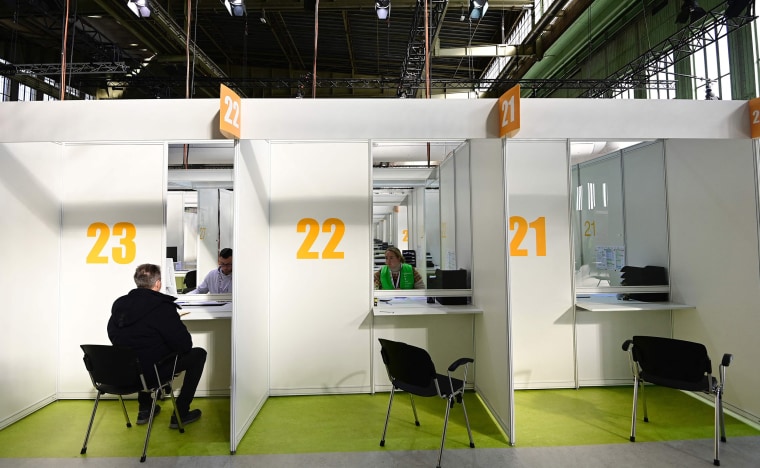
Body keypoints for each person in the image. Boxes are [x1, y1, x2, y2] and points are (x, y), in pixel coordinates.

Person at [108, 263, 207, 429]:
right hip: (152, 372)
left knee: (138, 353)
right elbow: (184, 345)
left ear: (137, 281)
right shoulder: (162, 308)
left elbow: (113, 336)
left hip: (126, 373)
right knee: (198, 355)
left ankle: (145, 409)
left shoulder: (120, 305)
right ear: (158, 283)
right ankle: (180, 413)